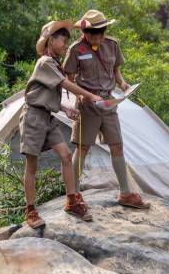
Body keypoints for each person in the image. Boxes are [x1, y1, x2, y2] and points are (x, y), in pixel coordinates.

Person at [19, 20, 103, 229]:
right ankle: (30, 211)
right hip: (33, 118)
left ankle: (72, 201)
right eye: (63, 40)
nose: (66, 45)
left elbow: (48, 93)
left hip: (47, 116)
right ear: (51, 41)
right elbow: (65, 84)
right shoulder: (45, 62)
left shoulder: (54, 64)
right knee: (32, 164)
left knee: (66, 155)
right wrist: (91, 96)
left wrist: (65, 109)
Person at [63, 10, 150, 209]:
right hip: (87, 105)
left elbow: (116, 71)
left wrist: (123, 84)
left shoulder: (112, 45)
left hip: (109, 103)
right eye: (94, 33)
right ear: (84, 31)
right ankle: (74, 194)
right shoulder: (76, 49)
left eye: (102, 32)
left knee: (117, 145)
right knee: (83, 148)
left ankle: (125, 193)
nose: (98, 36)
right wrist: (81, 96)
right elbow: (69, 79)